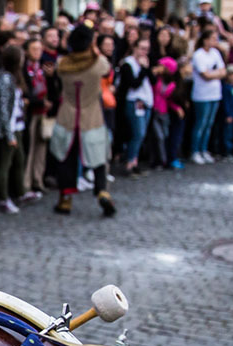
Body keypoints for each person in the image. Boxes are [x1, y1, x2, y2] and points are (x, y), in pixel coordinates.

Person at [49, 25, 114, 216]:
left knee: (66, 158)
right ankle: (102, 190)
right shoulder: (98, 64)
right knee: (99, 155)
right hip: (91, 114)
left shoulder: (62, 64)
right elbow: (107, 70)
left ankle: (65, 199)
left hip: (67, 115)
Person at [0, 45, 27, 214]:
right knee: (5, 163)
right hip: (6, 128)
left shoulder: (13, 78)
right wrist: (8, 133)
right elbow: (3, 109)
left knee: (19, 159)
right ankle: (4, 198)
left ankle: (20, 192)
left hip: (15, 125)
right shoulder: (5, 80)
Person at [117, 37, 154, 174]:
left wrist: (147, 68)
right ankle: (130, 162)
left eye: (147, 49)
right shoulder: (128, 64)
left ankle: (135, 161)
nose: (145, 52)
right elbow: (133, 83)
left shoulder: (145, 62)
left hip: (147, 101)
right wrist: (143, 69)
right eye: (142, 48)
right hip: (133, 101)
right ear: (135, 48)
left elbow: (153, 80)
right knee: (138, 133)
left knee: (141, 134)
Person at [189, 29, 225, 164]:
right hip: (202, 95)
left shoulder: (215, 53)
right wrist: (215, 73)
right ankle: (195, 150)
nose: (215, 41)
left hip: (215, 94)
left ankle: (204, 149)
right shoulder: (198, 55)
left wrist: (213, 73)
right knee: (201, 123)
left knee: (209, 124)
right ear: (205, 39)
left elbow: (223, 71)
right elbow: (205, 75)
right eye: (213, 38)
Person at [21, 38, 49, 199]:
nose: (38, 52)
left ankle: (38, 179)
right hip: (31, 111)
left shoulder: (42, 67)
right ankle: (26, 183)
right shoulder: (25, 68)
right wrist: (39, 101)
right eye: (34, 49)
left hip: (42, 111)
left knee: (41, 147)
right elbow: (26, 92)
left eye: (39, 49)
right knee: (30, 147)